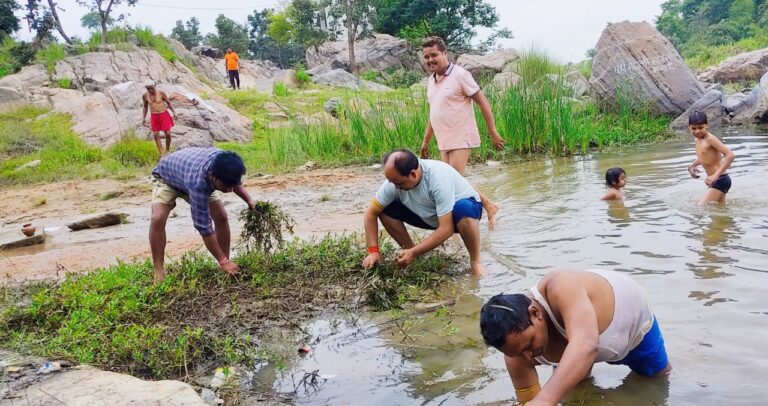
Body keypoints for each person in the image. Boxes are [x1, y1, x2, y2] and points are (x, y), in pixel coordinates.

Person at [480, 269, 671, 406]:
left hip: (631, 327)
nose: (529, 357)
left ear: (535, 313)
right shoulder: (517, 355)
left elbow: (586, 345)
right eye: (519, 353)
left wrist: (545, 400)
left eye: (529, 344)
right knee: (571, 392)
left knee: (657, 382)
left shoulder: (561, 285)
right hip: (577, 345)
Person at [418, 36, 505, 226]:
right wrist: (426, 141)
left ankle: (454, 225)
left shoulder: (460, 74)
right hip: (444, 139)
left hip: (461, 136)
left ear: (444, 53)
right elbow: (434, 113)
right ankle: (489, 206)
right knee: (455, 181)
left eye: (434, 55)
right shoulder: (431, 81)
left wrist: (493, 132)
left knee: (452, 181)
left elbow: (483, 102)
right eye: (426, 57)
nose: (430, 60)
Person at [361, 149, 486, 275]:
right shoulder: (393, 183)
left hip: (460, 214)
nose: (396, 187)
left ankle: (476, 261)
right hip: (430, 215)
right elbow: (370, 214)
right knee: (385, 210)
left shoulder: (437, 177)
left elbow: (446, 229)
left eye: (399, 183)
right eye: (392, 182)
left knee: (464, 209)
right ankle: (410, 252)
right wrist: (373, 251)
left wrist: (414, 252)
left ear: (413, 174)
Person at [149, 147, 257, 283]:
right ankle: (159, 271)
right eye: (226, 186)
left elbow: (233, 180)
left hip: (188, 172)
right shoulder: (198, 184)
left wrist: (249, 200)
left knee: (221, 216)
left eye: (232, 185)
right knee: (157, 218)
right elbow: (204, 227)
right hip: (166, 178)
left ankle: (226, 263)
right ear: (213, 177)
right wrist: (223, 261)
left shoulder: (225, 162)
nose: (229, 190)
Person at [687, 111, 735, 205]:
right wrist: (692, 166)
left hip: (720, 179)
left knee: (701, 206)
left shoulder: (710, 139)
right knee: (719, 211)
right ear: (689, 127)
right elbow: (703, 156)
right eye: (694, 128)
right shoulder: (697, 139)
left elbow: (730, 155)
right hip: (716, 180)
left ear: (707, 125)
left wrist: (715, 175)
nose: (697, 131)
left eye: (701, 127)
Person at [142, 82, 176, 156]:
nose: (150, 90)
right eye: (148, 89)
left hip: (164, 114)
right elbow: (145, 107)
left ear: (155, 86)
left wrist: (174, 112)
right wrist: (143, 118)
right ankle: (162, 153)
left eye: (151, 88)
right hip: (154, 116)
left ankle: (167, 150)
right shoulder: (145, 95)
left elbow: (168, 102)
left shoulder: (161, 93)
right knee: (156, 133)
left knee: (168, 133)